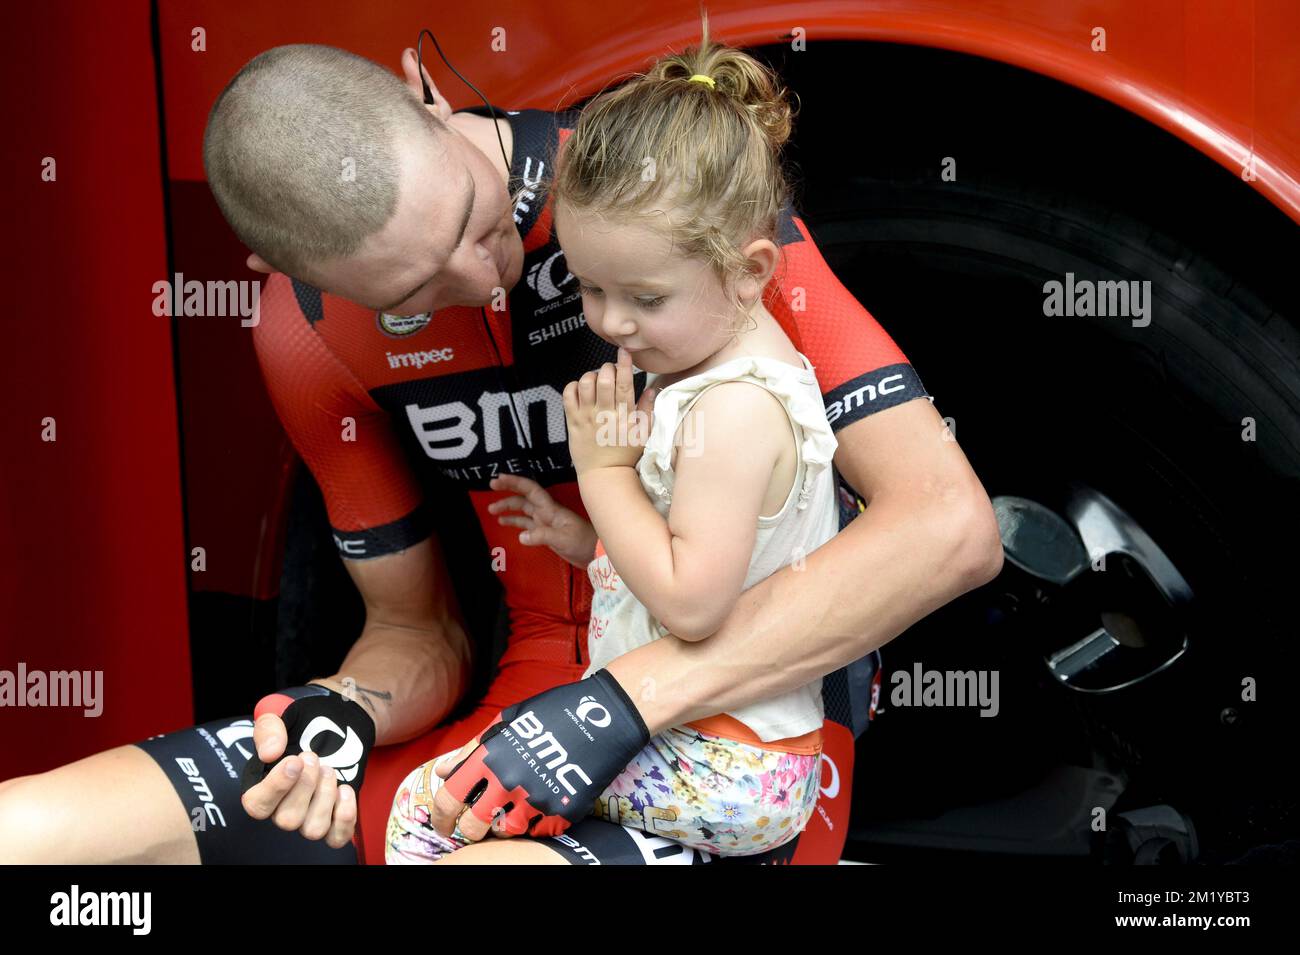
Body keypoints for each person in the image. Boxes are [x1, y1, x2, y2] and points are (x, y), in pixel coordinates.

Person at [0, 28, 1002, 865]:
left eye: (476, 221)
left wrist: (615, 706)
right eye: (412, 290)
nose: (484, 277)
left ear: (426, 95)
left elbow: (948, 529)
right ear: (282, 268)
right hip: (517, 715)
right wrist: (344, 707)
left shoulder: (647, 188)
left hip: (732, 731)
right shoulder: (302, 331)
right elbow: (417, 635)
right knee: (40, 834)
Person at [387, 41, 843, 862]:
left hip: (727, 762)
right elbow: (716, 550)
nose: (610, 324)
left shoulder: (733, 407)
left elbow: (693, 605)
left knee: (431, 806)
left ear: (751, 271)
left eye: (645, 297)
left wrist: (600, 474)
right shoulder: (711, 361)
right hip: (706, 741)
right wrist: (582, 543)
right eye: (589, 286)